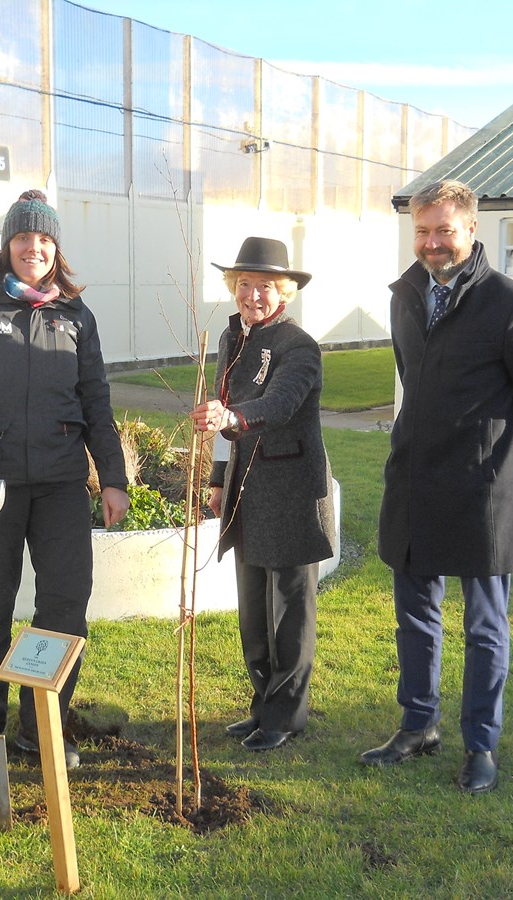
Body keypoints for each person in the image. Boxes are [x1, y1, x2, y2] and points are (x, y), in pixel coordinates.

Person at [360, 180, 513, 793]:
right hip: (417, 483)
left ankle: (481, 745)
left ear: (472, 230)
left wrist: (496, 454)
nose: (431, 243)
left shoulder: (510, 304)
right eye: (422, 231)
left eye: (444, 230)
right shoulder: (405, 296)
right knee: (415, 617)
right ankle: (418, 724)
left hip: (485, 493)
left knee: (485, 626)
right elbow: (412, 378)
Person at [0, 189, 130, 770]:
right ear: (7, 245)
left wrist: (112, 478)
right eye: (23, 238)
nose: (33, 248)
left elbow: (96, 400)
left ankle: (40, 725)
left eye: (44, 239)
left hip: (62, 486)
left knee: (64, 607)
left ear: (55, 248)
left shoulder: (75, 317)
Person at [190, 237, 337, 753]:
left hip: (292, 493)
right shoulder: (234, 339)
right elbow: (222, 407)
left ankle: (286, 716)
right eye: (245, 285)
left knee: (290, 611)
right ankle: (262, 705)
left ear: (285, 292)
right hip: (245, 492)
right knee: (253, 610)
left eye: (266, 286)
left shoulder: (300, 347)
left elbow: (280, 402)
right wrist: (215, 478)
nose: (253, 295)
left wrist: (234, 418)